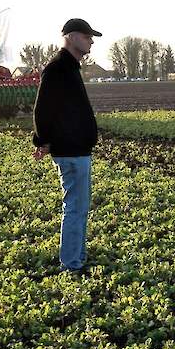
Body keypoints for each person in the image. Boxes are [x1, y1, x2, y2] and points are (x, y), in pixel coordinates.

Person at [32, 18, 102, 274]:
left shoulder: (69, 67)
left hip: (77, 149)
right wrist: (43, 140)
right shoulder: (58, 68)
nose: (91, 41)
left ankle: (77, 257)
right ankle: (71, 263)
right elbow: (42, 109)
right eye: (87, 36)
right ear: (71, 37)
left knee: (80, 208)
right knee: (74, 208)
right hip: (70, 150)